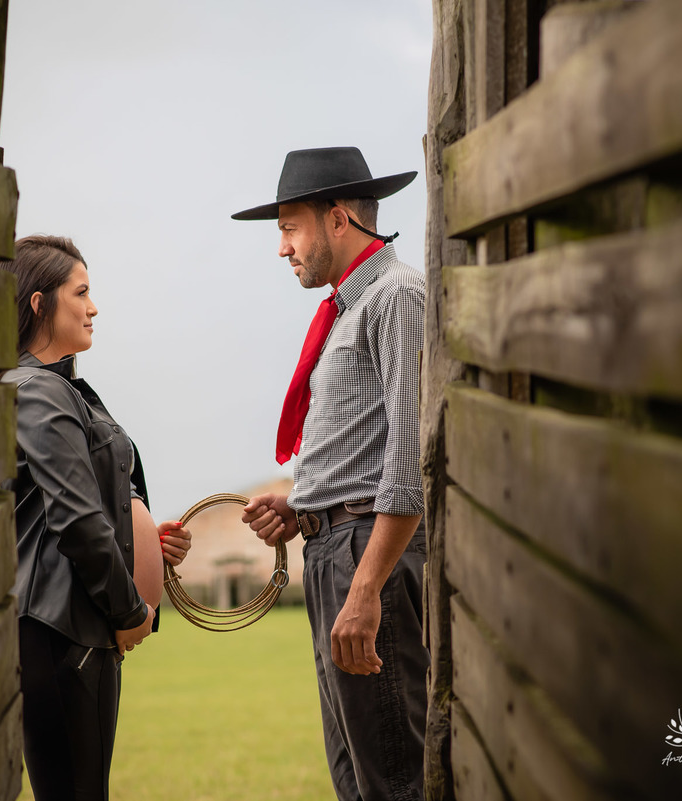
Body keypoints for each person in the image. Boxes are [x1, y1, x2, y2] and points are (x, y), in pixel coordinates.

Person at [233, 147, 429, 800]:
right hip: (333, 552)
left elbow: (408, 463)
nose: (282, 247)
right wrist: (300, 507)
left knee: (395, 778)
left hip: (366, 555)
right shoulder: (348, 310)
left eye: (289, 226)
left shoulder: (395, 298)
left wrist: (367, 585)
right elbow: (364, 452)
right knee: (356, 779)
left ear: (337, 218)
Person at [0, 235, 192, 800]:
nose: (93, 306)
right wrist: (130, 609)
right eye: (80, 293)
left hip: (74, 628)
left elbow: (72, 500)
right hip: (63, 631)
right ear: (39, 304)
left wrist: (141, 537)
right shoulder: (37, 390)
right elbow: (76, 520)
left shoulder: (55, 387)